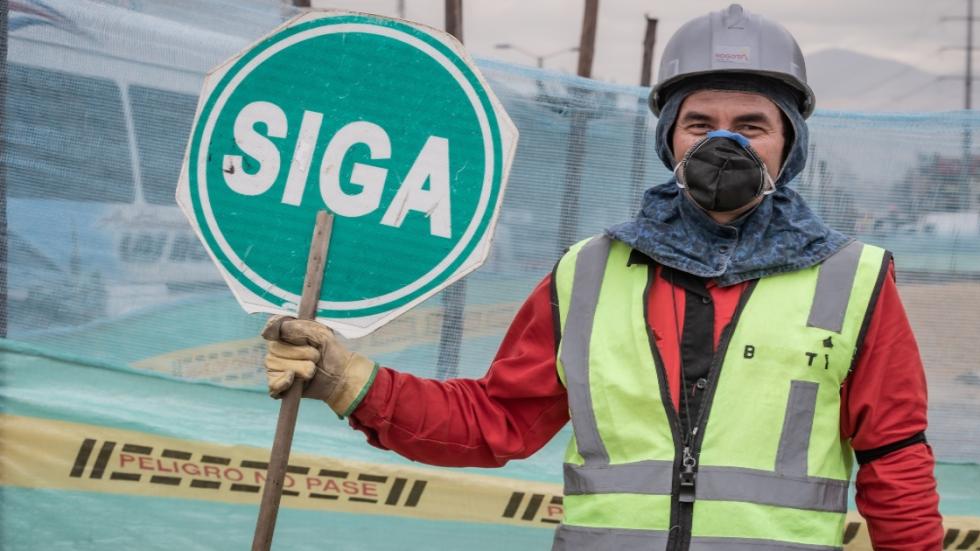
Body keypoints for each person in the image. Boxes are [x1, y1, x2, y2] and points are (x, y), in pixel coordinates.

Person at [263, 4, 943, 549]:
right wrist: (352, 383)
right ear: (669, 139)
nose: (724, 144)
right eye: (699, 122)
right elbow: (493, 420)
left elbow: (896, 462)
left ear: (788, 143)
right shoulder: (589, 273)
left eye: (751, 125)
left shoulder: (854, 280)